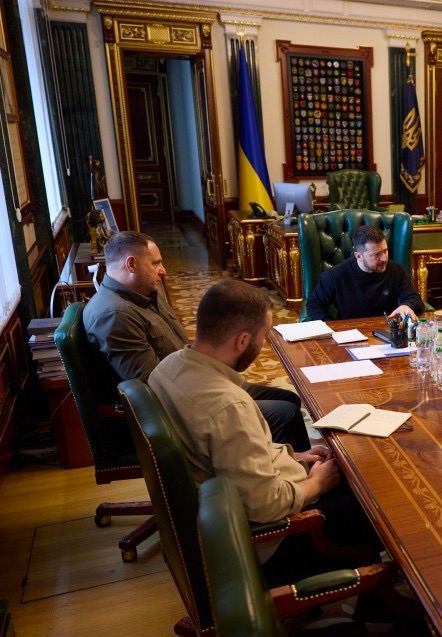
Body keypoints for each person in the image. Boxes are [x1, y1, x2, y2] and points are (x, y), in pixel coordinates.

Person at [148, 279, 378, 582]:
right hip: (269, 541)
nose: (263, 345)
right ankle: (378, 596)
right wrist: (316, 484)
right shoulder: (230, 407)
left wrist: (295, 456)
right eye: (263, 336)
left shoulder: (168, 366)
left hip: (219, 506)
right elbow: (266, 506)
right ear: (242, 341)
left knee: (352, 474)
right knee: (376, 505)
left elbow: (226, 455)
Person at [84, 231, 309, 451]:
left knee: (289, 399)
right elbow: (152, 387)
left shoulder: (145, 291)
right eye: (156, 263)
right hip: (181, 407)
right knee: (285, 413)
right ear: (131, 264)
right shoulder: (115, 315)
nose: (163, 271)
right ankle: (282, 469)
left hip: (197, 380)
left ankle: (280, 458)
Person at [305, 225, 424, 321]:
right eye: (377, 254)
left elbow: (414, 299)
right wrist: (331, 328)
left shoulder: (395, 270)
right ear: (358, 256)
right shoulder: (334, 275)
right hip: (350, 333)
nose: (384, 258)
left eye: (385, 251)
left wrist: (406, 306)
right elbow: (314, 305)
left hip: (387, 331)